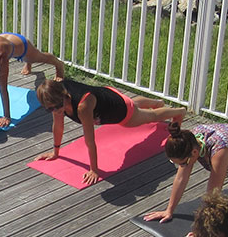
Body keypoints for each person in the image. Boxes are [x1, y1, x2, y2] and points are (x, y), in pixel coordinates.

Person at [33, 79, 185, 185]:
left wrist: (94, 169)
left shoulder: (82, 106)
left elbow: (90, 140)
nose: (55, 111)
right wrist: (56, 152)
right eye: (50, 109)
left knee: (149, 117)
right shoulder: (55, 95)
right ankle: (156, 103)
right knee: (133, 105)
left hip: (118, 110)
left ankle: (178, 112)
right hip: (107, 96)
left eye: (57, 107)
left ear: (64, 96)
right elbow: (58, 126)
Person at [0, 33, 64, 128]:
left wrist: (6, 116)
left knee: (37, 57)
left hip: (19, 44)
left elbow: (3, 87)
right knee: (27, 60)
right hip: (0, 41)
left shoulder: (1, 54)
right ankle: (27, 63)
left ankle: (59, 65)